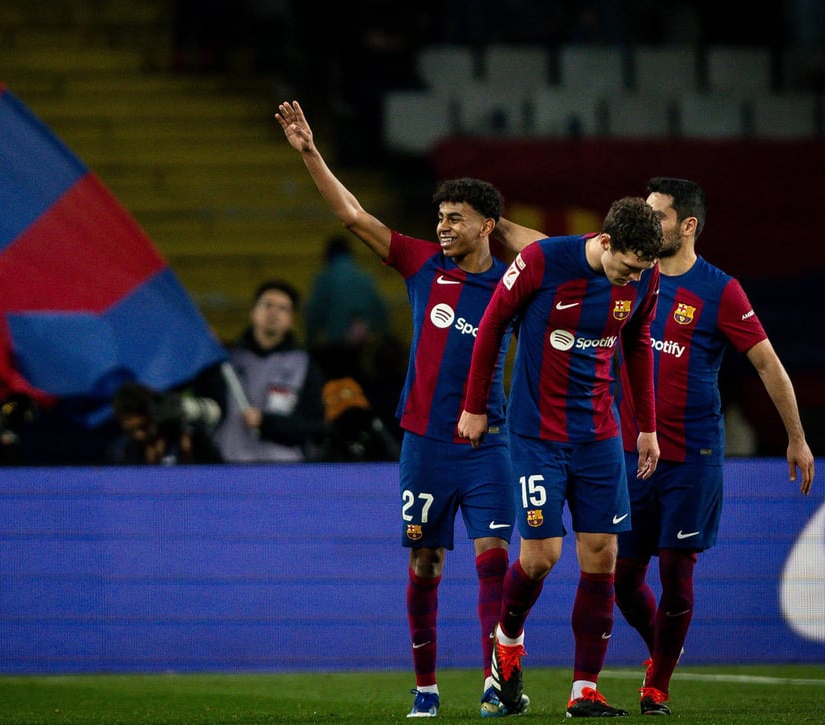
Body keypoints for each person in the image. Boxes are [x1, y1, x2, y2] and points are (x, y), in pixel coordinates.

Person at [278, 99, 545, 718]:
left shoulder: (514, 279)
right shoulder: (422, 263)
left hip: (488, 444)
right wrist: (311, 152)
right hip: (424, 441)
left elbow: (554, 252)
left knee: (494, 561)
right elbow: (352, 216)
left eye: (457, 218)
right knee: (426, 560)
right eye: (441, 216)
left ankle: (492, 682)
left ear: (487, 225)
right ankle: (425, 687)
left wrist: (506, 232)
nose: (444, 226)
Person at [613, 177, 815, 716]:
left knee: (676, 572)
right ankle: (663, 649)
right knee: (622, 581)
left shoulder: (721, 290)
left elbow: (768, 363)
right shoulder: (628, 274)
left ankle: (658, 682)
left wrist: (795, 437)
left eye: (657, 214)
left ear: (687, 226)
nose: (647, 221)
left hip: (692, 456)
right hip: (630, 456)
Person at [458, 196, 666, 718]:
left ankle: (584, 691)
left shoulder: (645, 276)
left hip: (599, 434)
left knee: (603, 556)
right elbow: (491, 327)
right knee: (541, 556)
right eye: (628, 267)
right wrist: (475, 406)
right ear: (605, 241)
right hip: (538, 434)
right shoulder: (545, 261)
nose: (632, 279)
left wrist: (648, 427)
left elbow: (638, 342)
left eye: (642, 271)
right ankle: (506, 641)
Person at [208, 279, 326, 463]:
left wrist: (267, 423)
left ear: (291, 320)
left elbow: (313, 426)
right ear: (253, 313)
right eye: (267, 305)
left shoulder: (305, 365)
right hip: (230, 467)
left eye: (282, 308)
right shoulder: (225, 361)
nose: (274, 312)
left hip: (284, 471)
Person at [105, 382, 223, 465]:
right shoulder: (120, 452)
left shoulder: (187, 439)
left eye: (143, 427)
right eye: (130, 431)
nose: (138, 435)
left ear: (152, 416)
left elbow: (221, 476)